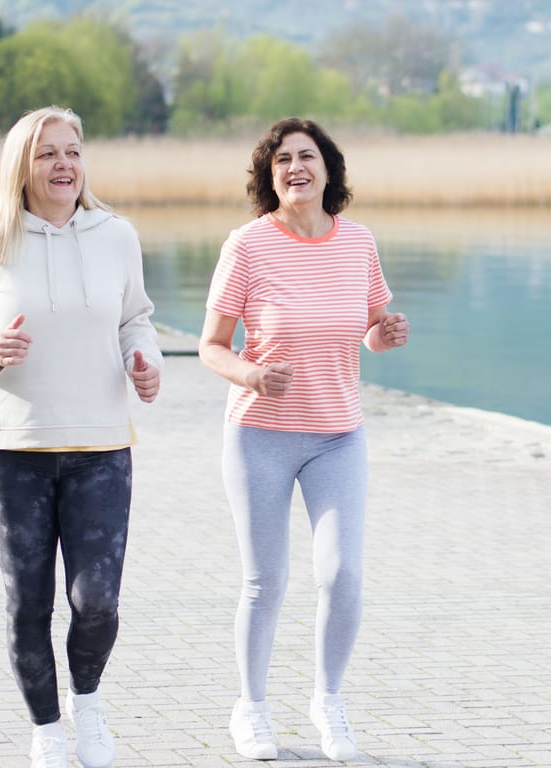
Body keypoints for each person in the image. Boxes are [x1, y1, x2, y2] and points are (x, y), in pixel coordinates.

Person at [0, 105, 162, 768]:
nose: (63, 164)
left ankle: (88, 707)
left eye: (72, 151)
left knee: (97, 602)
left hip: (100, 447)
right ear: (23, 166)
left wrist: (142, 362)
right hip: (12, 452)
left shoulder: (117, 235)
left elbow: (137, 319)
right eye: (47, 154)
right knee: (28, 603)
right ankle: (46, 729)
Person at [199, 117, 409, 762]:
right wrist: (251, 373)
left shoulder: (359, 244)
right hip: (259, 435)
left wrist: (384, 335)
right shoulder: (247, 246)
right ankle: (252, 710)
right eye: (283, 159)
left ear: (328, 170)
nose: (296, 167)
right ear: (269, 176)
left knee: (342, 575)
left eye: (307, 156)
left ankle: (328, 700)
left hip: (338, 435)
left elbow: (369, 329)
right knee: (265, 581)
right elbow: (211, 346)